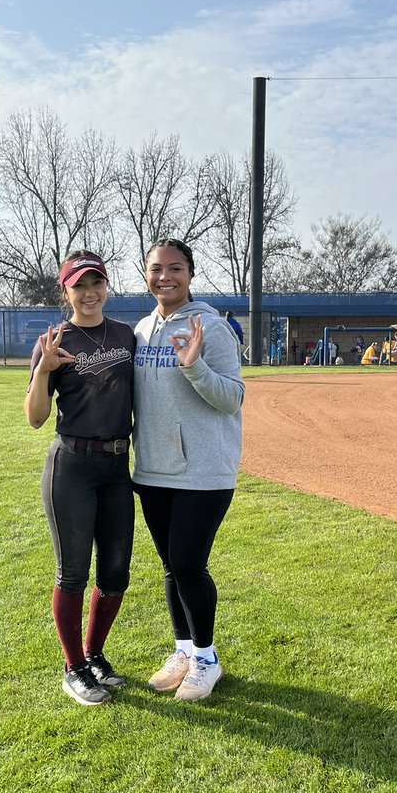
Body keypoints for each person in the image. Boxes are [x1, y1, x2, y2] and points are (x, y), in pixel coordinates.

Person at [133, 238, 244, 703]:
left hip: (203, 470)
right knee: (169, 567)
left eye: (175, 269)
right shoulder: (141, 330)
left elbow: (232, 397)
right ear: (146, 276)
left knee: (188, 564)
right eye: (156, 269)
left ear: (191, 273)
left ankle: (206, 659)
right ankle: (182, 650)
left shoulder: (211, 327)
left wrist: (194, 366)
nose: (165, 278)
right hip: (153, 469)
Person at [25, 251, 136, 707]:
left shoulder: (125, 335)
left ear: (106, 286)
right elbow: (35, 418)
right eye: (79, 285)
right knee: (72, 572)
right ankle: (73, 669)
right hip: (71, 465)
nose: (89, 293)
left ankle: (94, 657)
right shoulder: (54, 339)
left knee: (115, 572)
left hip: (115, 467)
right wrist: (43, 371)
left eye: (97, 283)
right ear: (65, 291)